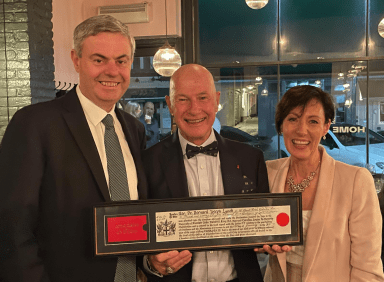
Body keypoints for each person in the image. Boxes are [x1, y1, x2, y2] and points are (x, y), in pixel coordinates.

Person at [0, 15, 148, 282]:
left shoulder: (134, 130)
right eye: (99, 59)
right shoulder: (34, 124)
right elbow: (12, 227)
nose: (112, 71)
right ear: (76, 60)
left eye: (121, 61)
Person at [141, 64, 288, 282]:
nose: (194, 109)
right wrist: (150, 264)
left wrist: (271, 240)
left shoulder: (251, 158)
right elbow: (137, 235)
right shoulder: (146, 162)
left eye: (203, 97)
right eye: (183, 99)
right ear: (170, 104)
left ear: (216, 100)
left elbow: (261, 229)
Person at [263, 85, 384, 281]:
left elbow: (368, 268)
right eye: (292, 119)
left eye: (313, 121)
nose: (302, 130)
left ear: (326, 127)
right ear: (281, 125)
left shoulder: (356, 181)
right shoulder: (267, 172)